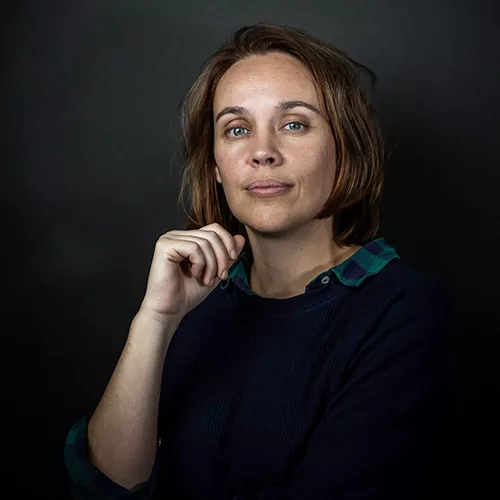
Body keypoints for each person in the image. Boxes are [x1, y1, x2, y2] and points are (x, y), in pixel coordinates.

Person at [64, 23, 452, 499]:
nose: (263, 152)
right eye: (237, 129)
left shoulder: (404, 310)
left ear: (345, 147)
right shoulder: (192, 298)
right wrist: (156, 321)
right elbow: (106, 487)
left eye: (294, 124)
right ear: (216, 166)